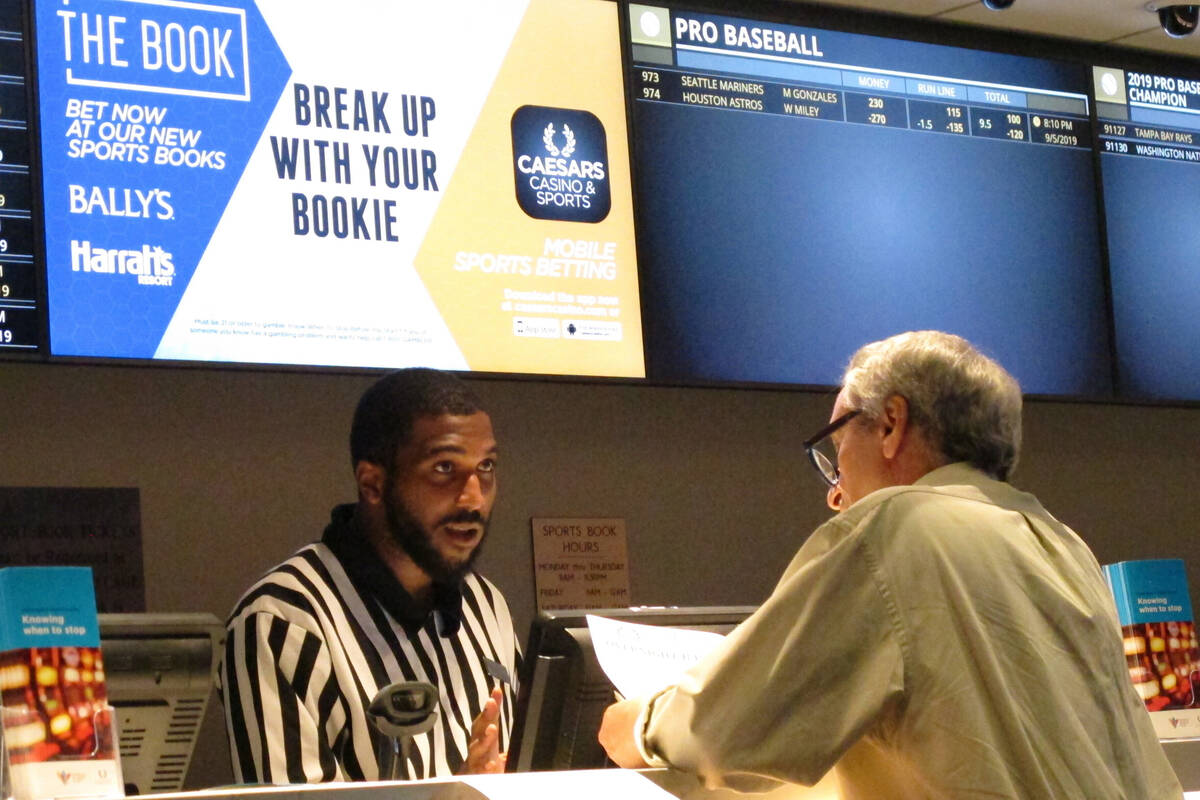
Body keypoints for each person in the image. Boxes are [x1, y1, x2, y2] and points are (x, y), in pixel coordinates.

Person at [599, 331, 1182, 799]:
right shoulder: (1061, 542)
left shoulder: (894, 528)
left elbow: (724, 732)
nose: (834, 493)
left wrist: (636, 726)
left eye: (835, 450)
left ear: (890, 425)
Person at [220, 368, 519, 783]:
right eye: (444, 467)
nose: (473, 498)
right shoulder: (283, 623)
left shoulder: (486, 603)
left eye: (486, 466)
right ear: (373, 484)